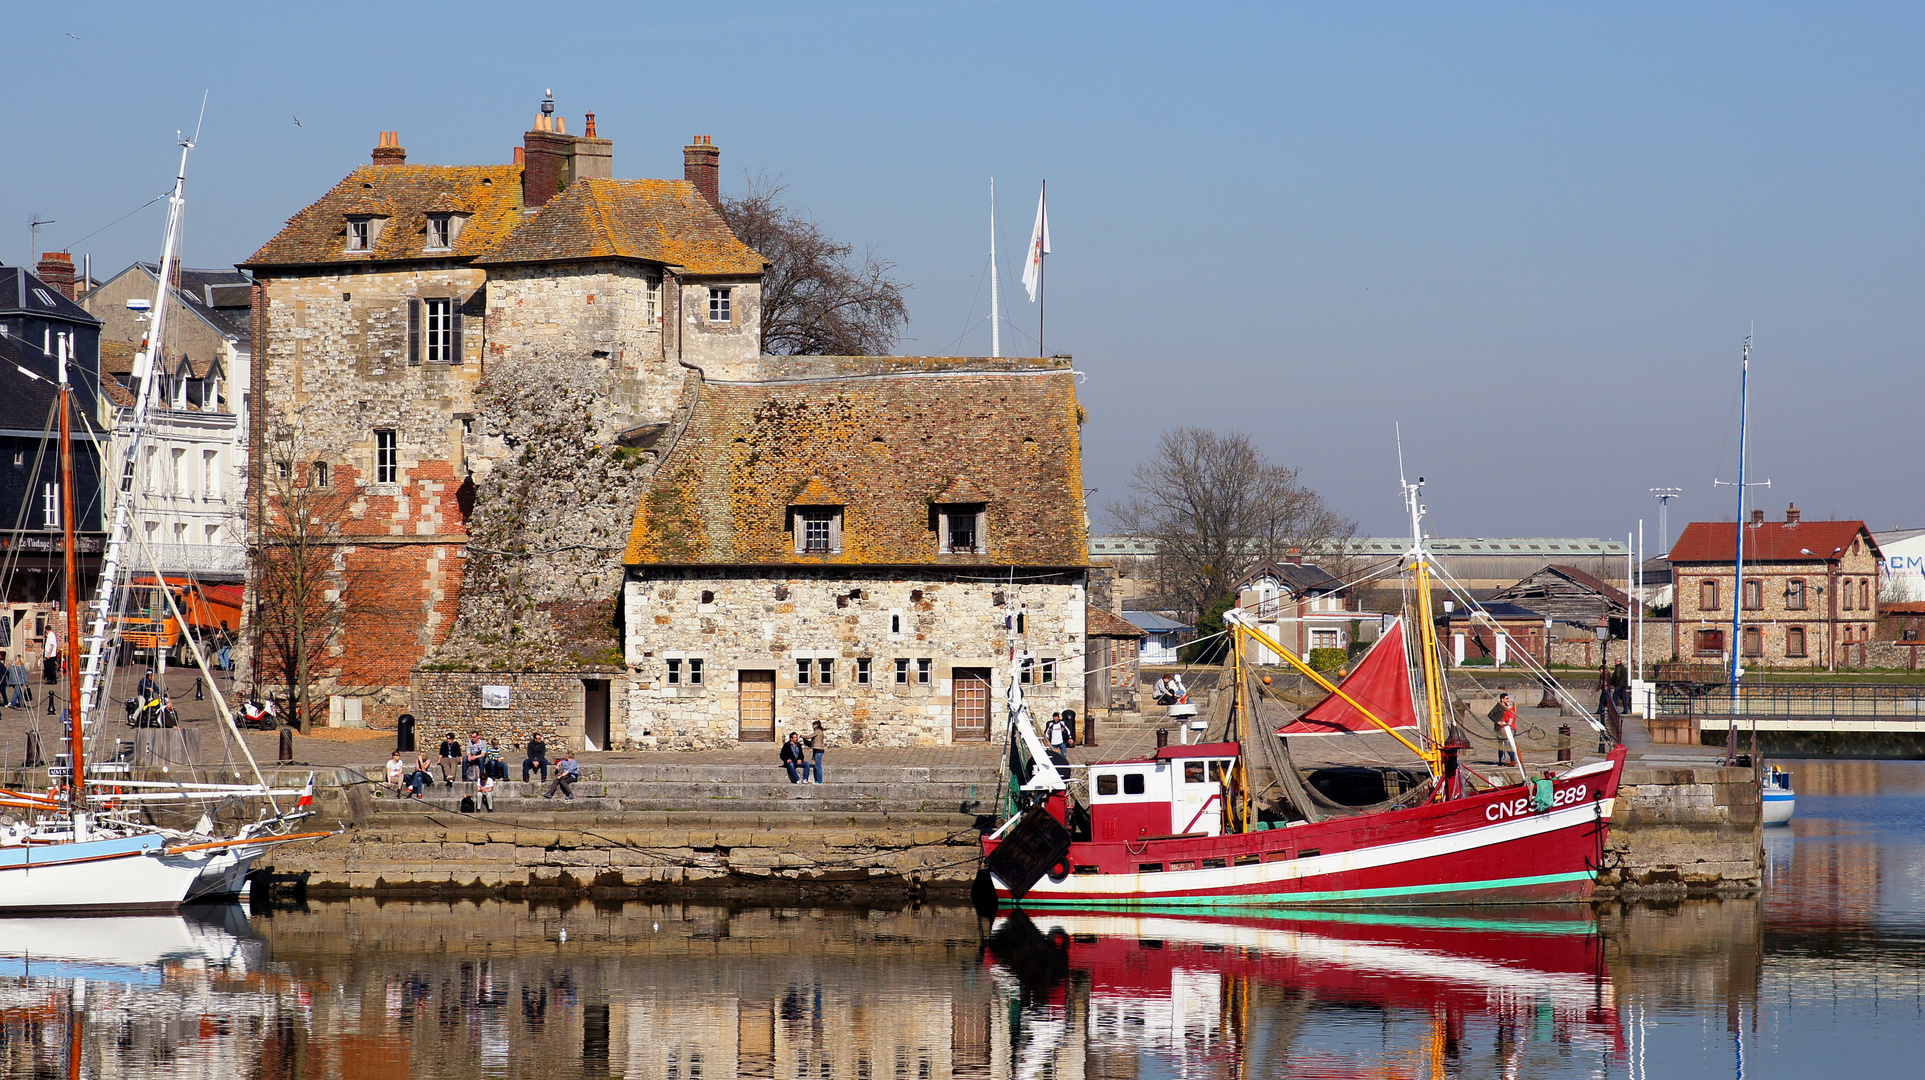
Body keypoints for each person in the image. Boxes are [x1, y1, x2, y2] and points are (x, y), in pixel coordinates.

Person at [1489, 692, 1518, 766]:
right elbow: (1490, 715)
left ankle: (1505, 760)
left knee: (1505, 744)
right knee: (1504, 744)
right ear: (1502, 699)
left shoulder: (1507, 706)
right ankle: (1508, 760)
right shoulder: (1499, 706)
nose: (1508, 700)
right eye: (1506, 698)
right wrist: (1497, 722)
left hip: (1507, 728)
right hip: (1501, 728)